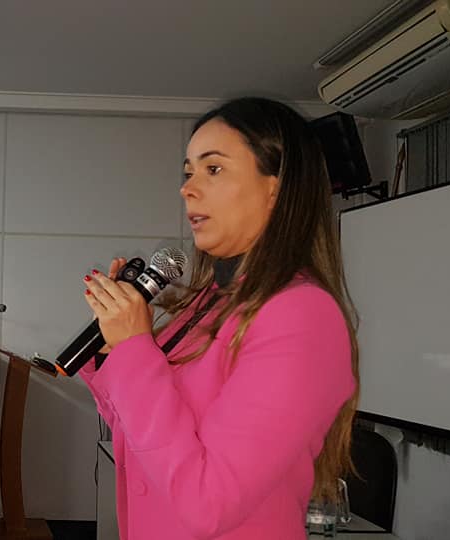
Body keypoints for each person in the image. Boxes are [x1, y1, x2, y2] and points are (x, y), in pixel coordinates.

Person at [79, 97, 358, 539]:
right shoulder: (207, 301)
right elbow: (143, 439)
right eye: (187, 172)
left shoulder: (302, 314)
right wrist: (115, 345)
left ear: (276, 189)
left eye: (213, 169)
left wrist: (135, 349)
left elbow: (208, 503)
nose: (187, 189)